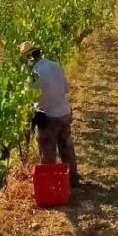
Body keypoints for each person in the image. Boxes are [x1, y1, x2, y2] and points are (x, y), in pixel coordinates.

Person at [21, 41, 80, 187]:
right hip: (65, 113)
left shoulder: (35, 73)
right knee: (66, 147)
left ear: (29, 58)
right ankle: (73, 180)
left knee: (48, 152)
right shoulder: (55, 65)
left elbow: (31, 97)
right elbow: (66, 89)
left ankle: (50, 185)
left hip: (49, 117)